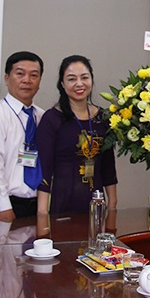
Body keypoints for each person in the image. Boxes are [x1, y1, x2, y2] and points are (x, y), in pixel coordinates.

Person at [36, 55, 117, 214]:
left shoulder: (103, 118)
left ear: (91, 80)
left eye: (84, 77)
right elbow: (44, 169)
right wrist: (42, 213)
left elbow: (108, 168)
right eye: (72, 79)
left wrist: (112, 205)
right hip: (62, 204)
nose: (79, 84)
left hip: (97, 203)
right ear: (62, 84)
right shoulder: (52, 119)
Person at [0, 51, 45, 226]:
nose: (27, 80)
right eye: (20, 74)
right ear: (7, 78)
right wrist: (3, 207)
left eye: (34, 75)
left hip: (37, 207)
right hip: (4, 207)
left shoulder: (42, 116)